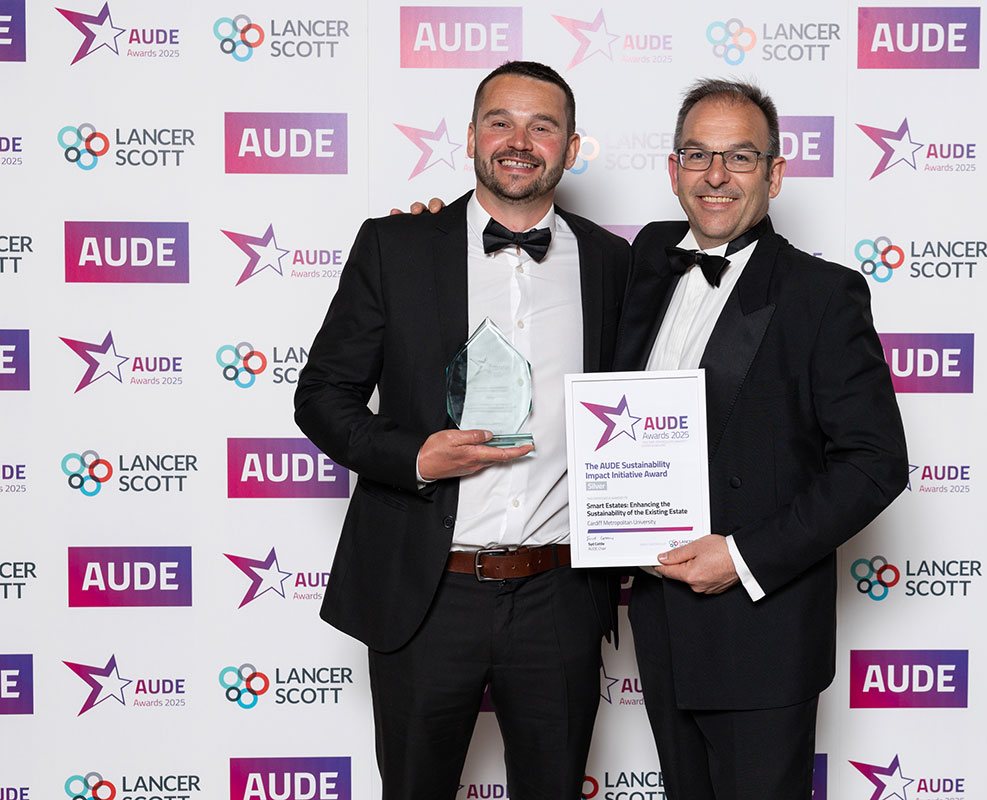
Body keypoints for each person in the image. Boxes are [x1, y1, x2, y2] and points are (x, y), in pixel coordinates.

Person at [294, 61, 629, 800]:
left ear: (572, 149)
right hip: (426, 592)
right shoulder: (396, 247)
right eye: (500, 121)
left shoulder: (615, 263)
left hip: (559, 597)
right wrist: (411, 454)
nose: (520, 140)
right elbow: (322, 396)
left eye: (543, 126)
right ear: (471, 136)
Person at [612, 79, 907, 799]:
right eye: (698, 155)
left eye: (739, 157)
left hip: (759, 633)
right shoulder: (646, 259)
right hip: (660, 625)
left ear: (775, 173)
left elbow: (876, 463)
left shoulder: (822, 294)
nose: (716, 176)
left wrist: (741, 558)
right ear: (673, 169)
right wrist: (438, 230)